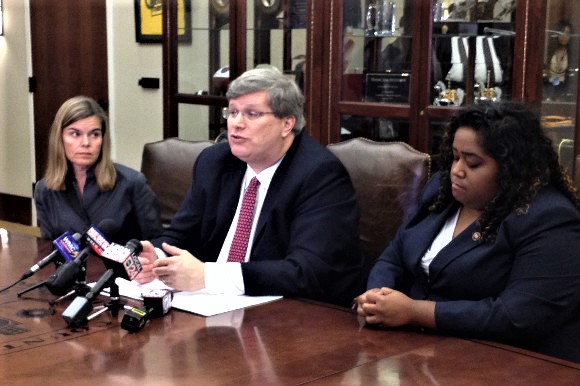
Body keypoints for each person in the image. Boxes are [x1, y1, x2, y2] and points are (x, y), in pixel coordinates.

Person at [355, 101, 580, 363]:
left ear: (510, 169)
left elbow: (516, 317)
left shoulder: (549, 218)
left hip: (506, 363)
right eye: (454, 156)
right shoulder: (442, 193)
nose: (456, 170)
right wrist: (376, 299)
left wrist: (415, 311)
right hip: (417, 352)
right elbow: (394, 254)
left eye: (472, 163)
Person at [134, 66, 364, 307]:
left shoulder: (319, 175)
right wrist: (156, 259)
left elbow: (307, 271)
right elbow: (182, 234)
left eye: (251, 114)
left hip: (287, 313)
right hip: (212, 305)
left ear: (287, 123)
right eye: (232, 112)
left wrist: (208, 276)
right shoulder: (215, 162)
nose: (236, 124)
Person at [34, 96, 162, 244]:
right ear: (60, 138)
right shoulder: (44, 190)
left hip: (121, 267)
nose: (86, 143)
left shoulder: (132, 183)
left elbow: (156, 245)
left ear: (103, 139)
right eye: (75, 134)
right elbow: (50, 247)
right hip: (71, 267)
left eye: (94, 134)